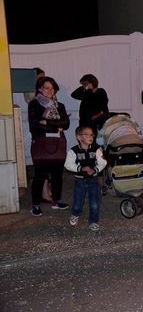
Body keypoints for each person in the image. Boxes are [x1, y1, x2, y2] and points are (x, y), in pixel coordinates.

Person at [28, 77, 70, 216]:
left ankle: (57, 200)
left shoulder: (60, 105)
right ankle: (36, 204)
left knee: (58, 174)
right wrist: (56, 127)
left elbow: (66, 124)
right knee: (40, 175)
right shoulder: (34, 104)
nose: (49, 90)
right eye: (46, 87)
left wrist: (47, 123)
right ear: (40, 89)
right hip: (41, 143)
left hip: (58, 143)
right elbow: (34, 126)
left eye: (52, 88)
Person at [64, 125, 107, 232]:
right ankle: (75, 214)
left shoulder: (96, 149)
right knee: (78, 202)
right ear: (79, 137)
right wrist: (81, 168)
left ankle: (93, 222)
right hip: (79, 181)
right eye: (86, 134)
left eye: (91, 134)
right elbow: (68, 165)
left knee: (94, 203)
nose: (90, 137)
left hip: (93, 180)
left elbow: (103, 162)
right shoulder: (73, 151)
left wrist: (95, 170)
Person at [24, 67, 53, 203]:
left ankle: (46, 191)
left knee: (48, 165)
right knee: (41, 166)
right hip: (40, 133)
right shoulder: (33, 94)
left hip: (49, 133)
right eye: (41, 77)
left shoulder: (48, 96)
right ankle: (42, 194)